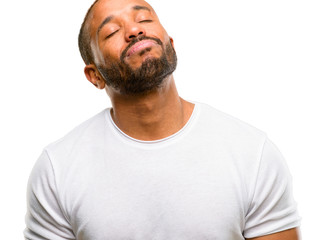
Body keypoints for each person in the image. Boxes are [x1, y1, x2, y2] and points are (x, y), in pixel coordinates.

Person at [24, 0, 301, 239]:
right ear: (95, 75)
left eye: (144, 19)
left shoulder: (252, 153)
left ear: (170, 44)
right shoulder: (56, 171)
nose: (134, 30)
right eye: (112, 32)